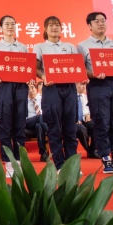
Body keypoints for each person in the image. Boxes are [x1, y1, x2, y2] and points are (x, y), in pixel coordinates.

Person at [77, 12, 113, 174]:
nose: (101, 24)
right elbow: (80, 70)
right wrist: (93, 74)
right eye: (97, 21)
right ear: (89, 25)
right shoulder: (82, 46)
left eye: (103, 21)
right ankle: (105, 157)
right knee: (102, 122)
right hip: (97, 86)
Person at [35, 16, 83, 173]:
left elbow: (77, 67)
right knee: (54, 128)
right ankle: (60, 166)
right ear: (45, 29)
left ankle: (72, 165)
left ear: (61, 28)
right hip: (51, 88)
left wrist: (81, 77)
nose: (54, 28)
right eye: (50, 25)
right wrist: (44, 77)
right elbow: (36, 68)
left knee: (70, 128)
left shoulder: (69, 47)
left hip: (69, 88)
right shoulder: (40, 47)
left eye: (57, 25)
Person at [0, 15, 30, 177]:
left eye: (13, 24)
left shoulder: (23, 47)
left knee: (20, 125)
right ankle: (9, 163)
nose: (10, 26)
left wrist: (29, 77)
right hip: (4, 86)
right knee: (5, 126)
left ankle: (19, 161)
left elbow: (27, 68)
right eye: (7, 24)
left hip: (20, 87)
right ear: (1, 28)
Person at [25, 83, 49, 162]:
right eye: (28, 89)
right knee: (39, 117)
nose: (30, 91)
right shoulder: (24, 101)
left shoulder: (42, 99)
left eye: (32, 88)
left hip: (40, 123)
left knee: (38, 126)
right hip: (28, 122)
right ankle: (50, 134)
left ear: (36, 90)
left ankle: (43, 154)